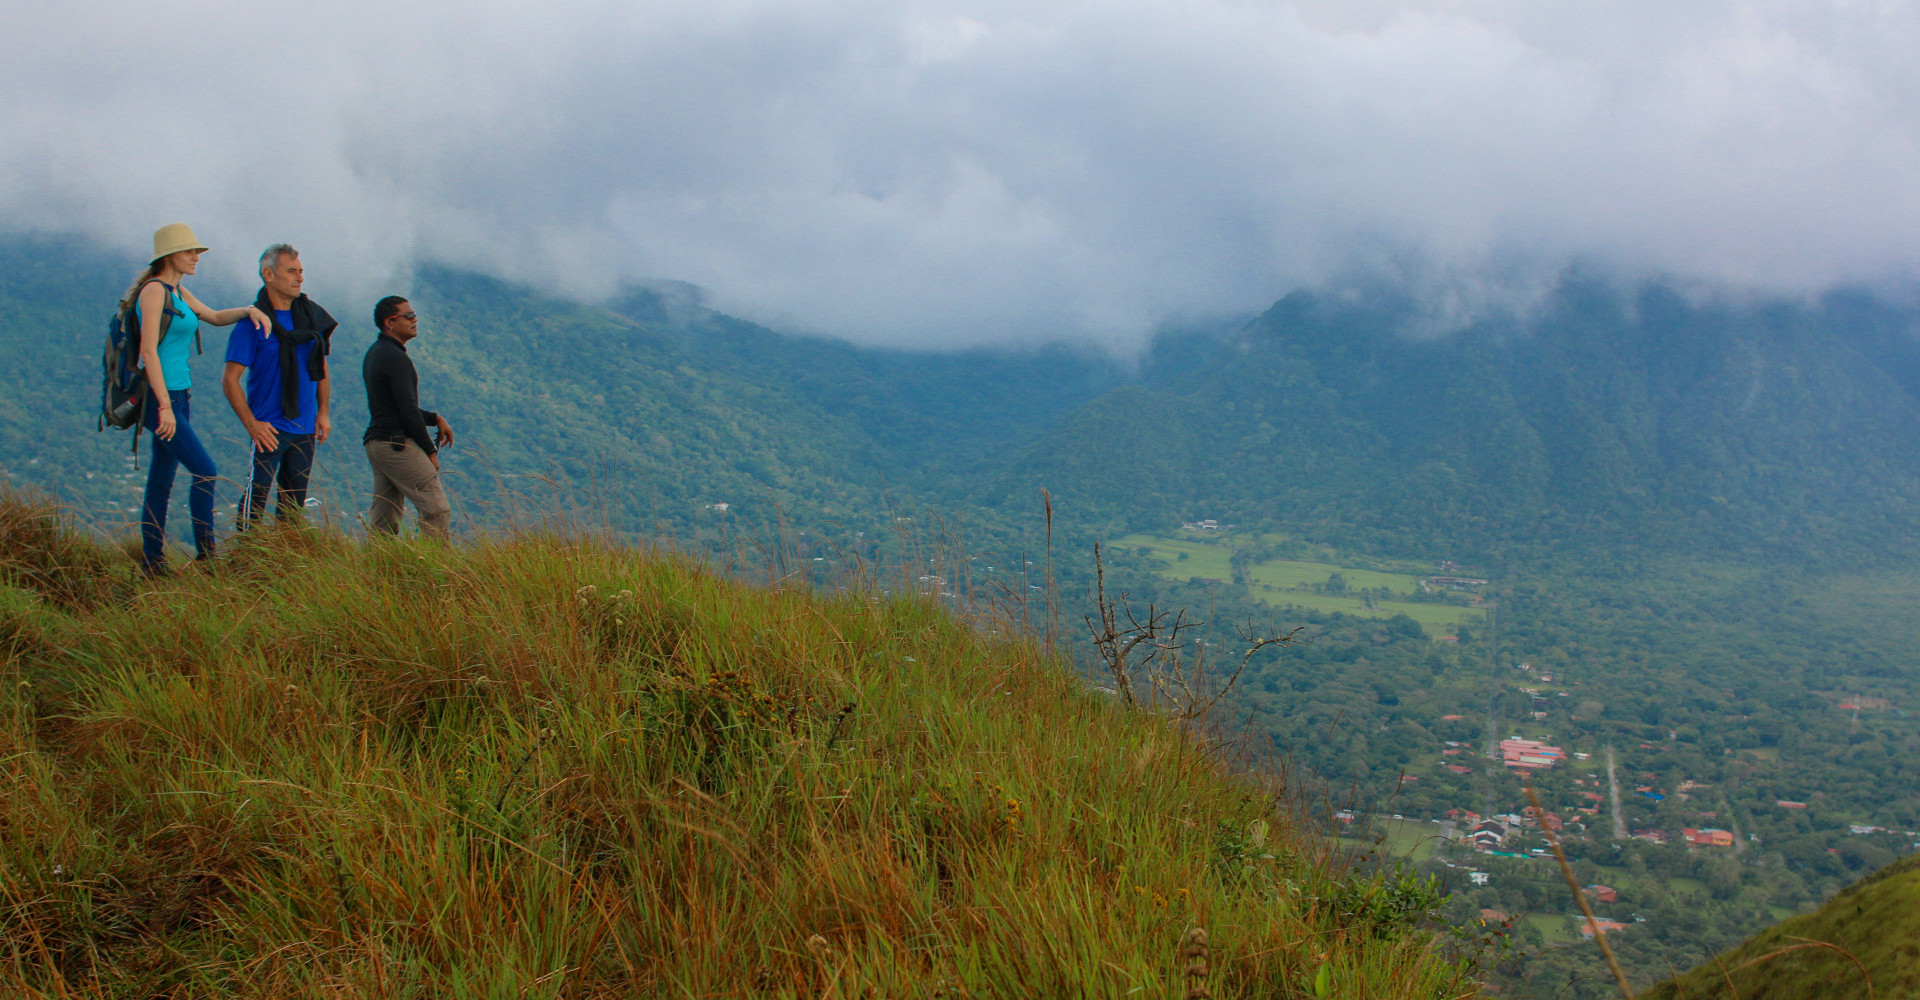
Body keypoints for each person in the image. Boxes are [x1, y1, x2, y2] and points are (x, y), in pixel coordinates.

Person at [125, 223, 272, 576]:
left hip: (179, 396)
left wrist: (249, 310)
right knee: (205, 471)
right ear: (169, 255)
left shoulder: (178, 292)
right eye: (190, 251)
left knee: (162, 479)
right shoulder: (154, 292)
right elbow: (148, 351)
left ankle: (152, 562)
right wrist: (163, 407)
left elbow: (216, 317)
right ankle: (207, 558)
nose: (196, 257)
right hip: (160, 399)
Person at [222, 243, 337, 528]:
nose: (300, 278)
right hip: (269, 427)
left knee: (292, 508)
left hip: (305, 426)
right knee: (255, 503)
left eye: (301, 271)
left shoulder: (311, 318)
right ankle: (247, 558)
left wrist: (323, 413)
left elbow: (320, 368)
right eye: (291, 271)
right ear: (268, 274)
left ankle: (283, 563)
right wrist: (252, 424)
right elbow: (229, 380)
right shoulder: (253, 323)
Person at [363, 296, 454, 539]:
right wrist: (429, 451)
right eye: (409, 316)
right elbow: (407, 410)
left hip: (378, 444)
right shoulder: (395, 357)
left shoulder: (376, 352)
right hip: (396, 444)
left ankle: (379, 569)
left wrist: (435, 418)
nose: (415, 321)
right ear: (390, 322)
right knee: (437, 509)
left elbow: (396, 406)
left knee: (385, 518)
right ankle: (433, 568)